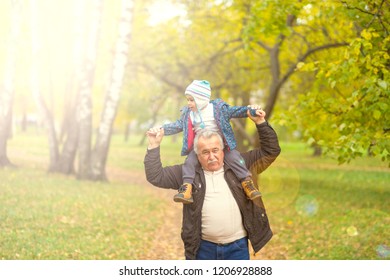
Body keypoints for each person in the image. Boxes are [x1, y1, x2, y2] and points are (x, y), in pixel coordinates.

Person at [144, 107, 281, 260]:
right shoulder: (187, 173)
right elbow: (155, 176)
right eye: (205, 152)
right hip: (202, 249)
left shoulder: (241, 164)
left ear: (223, 150)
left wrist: (261, 123)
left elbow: (271, 151)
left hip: (238, 248)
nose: (212, 156)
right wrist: (154, 146)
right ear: (197, 154)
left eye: (215, 150)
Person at [147, 80, 261, 204]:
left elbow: (236, 111)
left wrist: (252, 110)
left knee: (235, 158)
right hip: (201, 147)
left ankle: (247, 183)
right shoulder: (189, 114)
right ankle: (186, 188)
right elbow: (177, 125)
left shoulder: (218, 109)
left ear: (201, 99)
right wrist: (161, 129)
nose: (189, 103)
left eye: (192, 100)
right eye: (188, 100)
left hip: (221, 145)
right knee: (190, 162)